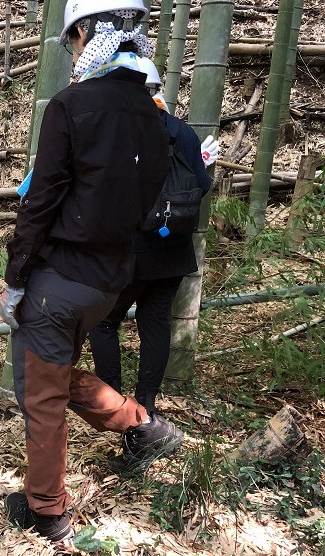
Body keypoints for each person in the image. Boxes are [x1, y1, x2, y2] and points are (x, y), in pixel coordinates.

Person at [0, 0, 184, 544]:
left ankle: (47, 510)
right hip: (109, 283)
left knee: (40, 395)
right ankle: (142, 424)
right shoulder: (155, 115)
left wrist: (15, 277)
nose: (74, 50)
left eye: (73, 38)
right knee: (45, 376)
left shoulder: (71, 107)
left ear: (87, 31)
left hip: (59, 281)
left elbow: (41, 202)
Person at [88, 57, 216, 416]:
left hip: (129, 250)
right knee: (156, 322)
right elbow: (202, 185)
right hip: (173, 248)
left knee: (103, 321)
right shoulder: (182, 132)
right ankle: (146, 404)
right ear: (156, 90)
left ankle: (114, 403)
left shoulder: (117, 131)